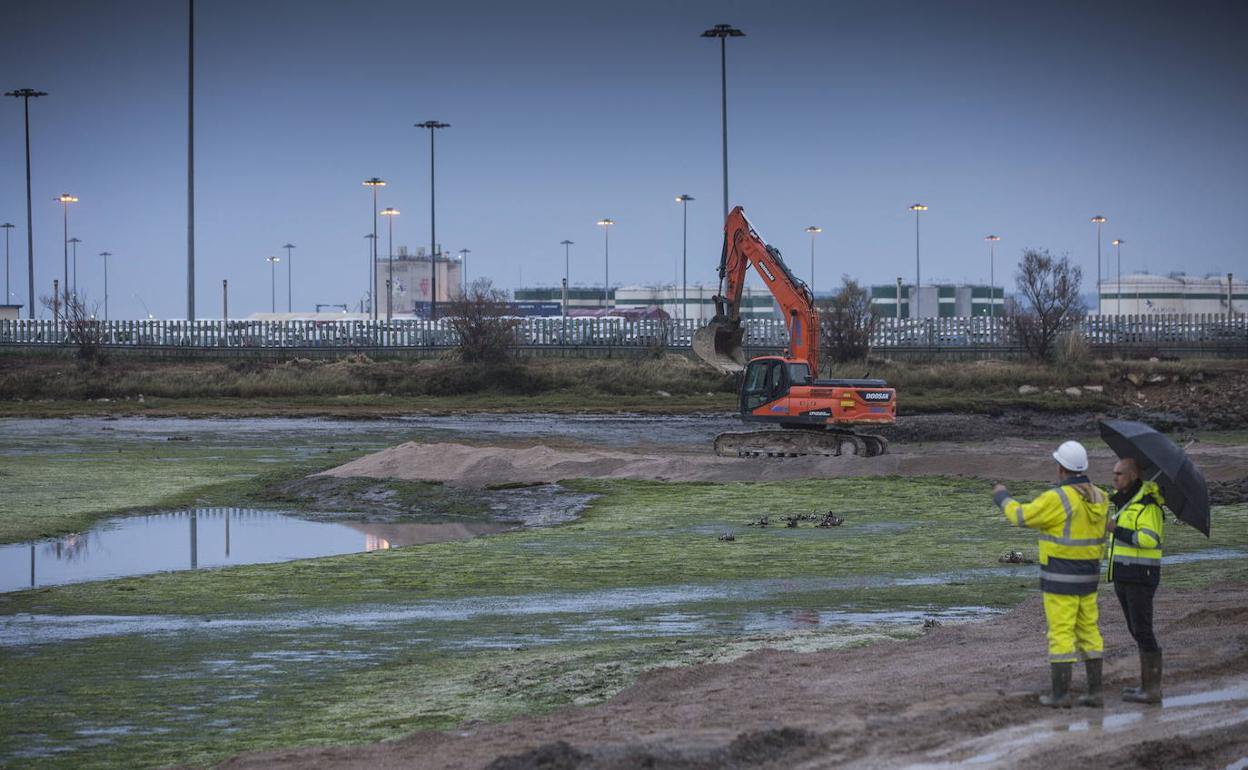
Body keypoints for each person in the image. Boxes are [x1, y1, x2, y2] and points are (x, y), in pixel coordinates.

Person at [992, 440, 1109, 708]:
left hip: (1060, 578)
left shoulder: (1057, 498)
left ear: (1061, 469)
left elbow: (1021, 517)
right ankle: (1095, 692)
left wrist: (1002, 497)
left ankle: (1060, 694)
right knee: (1090, 631)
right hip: (1089, 577)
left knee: (1061, 633)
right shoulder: (1101, 497)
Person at [1107, 457, 1165, 703]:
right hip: (1124, 574)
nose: (1115, 478)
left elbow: (1149, 539)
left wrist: (1115, 529)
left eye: (1119, 474)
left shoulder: (1148, 506)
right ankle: (1146, 686)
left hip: (1141, 577)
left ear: (1132, 475)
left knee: (1143, 630)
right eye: (1114, 473)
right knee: (1136, 630)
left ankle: (1152, 689)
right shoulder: (1125, 503)